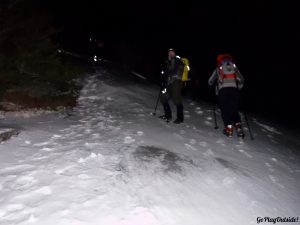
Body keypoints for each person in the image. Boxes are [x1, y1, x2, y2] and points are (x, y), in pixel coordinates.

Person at [208, 54, 245, 137]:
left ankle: (229, 128)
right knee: (234, 109)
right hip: (234, 91)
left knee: (225, 110)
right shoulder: (234, 68)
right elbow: (242, 80)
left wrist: (213, 86)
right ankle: (238, 126)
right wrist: (238, 88)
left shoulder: (219, 68)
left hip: (223, 91)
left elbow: (210, 81)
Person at [159, 48, 185, 124]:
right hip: (169, 82)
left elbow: (173, 70)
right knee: (163, 97)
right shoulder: (169, 62)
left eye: (172, 52)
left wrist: (165, 72)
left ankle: (180, 118)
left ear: (174, 53)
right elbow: (169, 71)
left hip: (176, 81)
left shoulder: (177, 60)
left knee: (177, 99)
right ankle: (168, 115)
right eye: (169, 53)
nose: (170, 54)